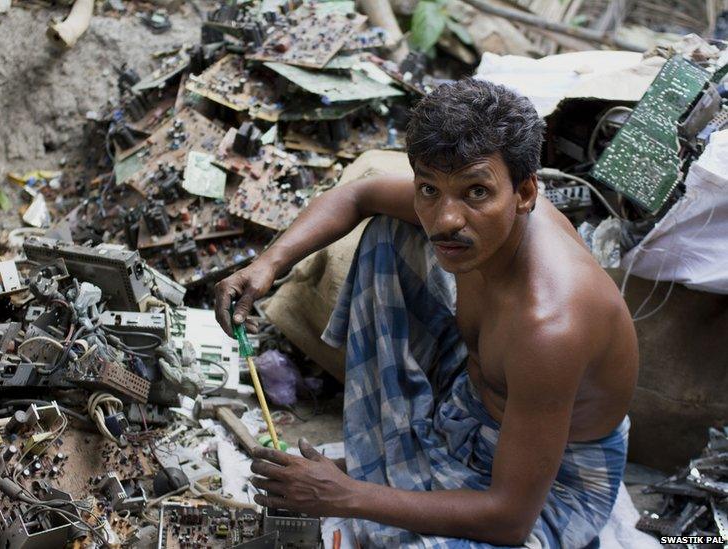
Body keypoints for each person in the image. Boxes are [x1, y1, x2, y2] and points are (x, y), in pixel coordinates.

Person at [214, 79, 638, 548]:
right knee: (387, 234)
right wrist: (267, 264)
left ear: (524, 193)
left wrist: (346, 496)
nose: (445, 220)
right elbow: (358, 196)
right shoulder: (468, 225)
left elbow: (510, 519)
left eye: (477, 192)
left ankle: (390, 471)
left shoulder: (550, 326)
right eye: (429, 189)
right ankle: (405, 462)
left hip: (551, 485)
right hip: (468, 404)